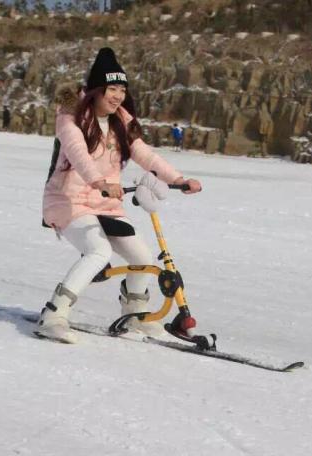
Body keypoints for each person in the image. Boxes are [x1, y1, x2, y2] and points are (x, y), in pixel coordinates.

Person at [38, 47, 202, 343]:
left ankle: (134, 315)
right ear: (96, 90)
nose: (117, 96)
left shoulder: (120, 121)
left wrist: (178, 179)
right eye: (111, 89)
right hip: (68, 201)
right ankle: (53, 315)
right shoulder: (71, 117)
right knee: (98, 251)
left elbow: (145, 154)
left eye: (122, 90)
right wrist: (99, 181)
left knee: (142, 257)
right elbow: (78, 154)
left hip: (105, 203)